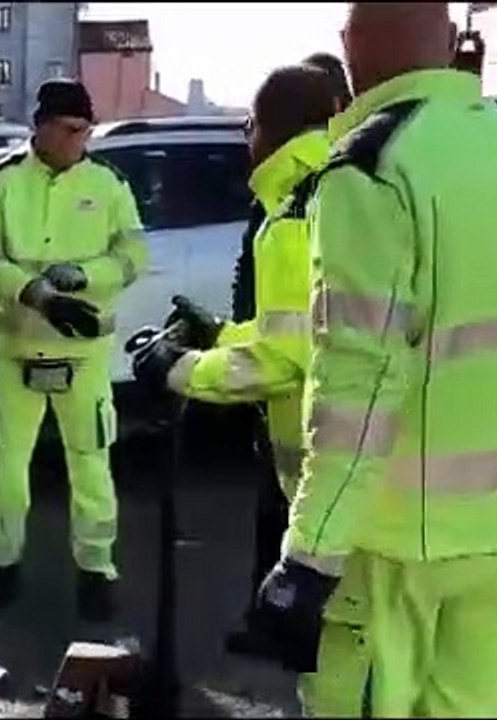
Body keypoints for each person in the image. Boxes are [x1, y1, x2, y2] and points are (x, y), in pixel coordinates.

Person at [253, 3, 497, 717]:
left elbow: (356, 387)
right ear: (450, 44)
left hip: (405, 547)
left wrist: (308, 559)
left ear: (348, 51)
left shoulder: (372, 171)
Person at [130, 64, 367, 716]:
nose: (248, 136)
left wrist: (181, 370)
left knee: (342, 676)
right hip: (361, 476)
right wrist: (214, 336)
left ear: (276, 129)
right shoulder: (339, 190)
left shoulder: (296, 213)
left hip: (331, 477)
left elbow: (285, 359)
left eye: (254, 123)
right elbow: (295, 329)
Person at [0, 78, 148, 623]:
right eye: (69, 130)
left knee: (91, 464)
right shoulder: (2, 184)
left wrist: (85, 276)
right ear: (41, 127)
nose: (79, 140)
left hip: (84, 351)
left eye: (85, 130)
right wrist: (36, 292)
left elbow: (134, 252)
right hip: (17, 347)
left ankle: (96, 571)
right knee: (7, 469)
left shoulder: (108, 184)